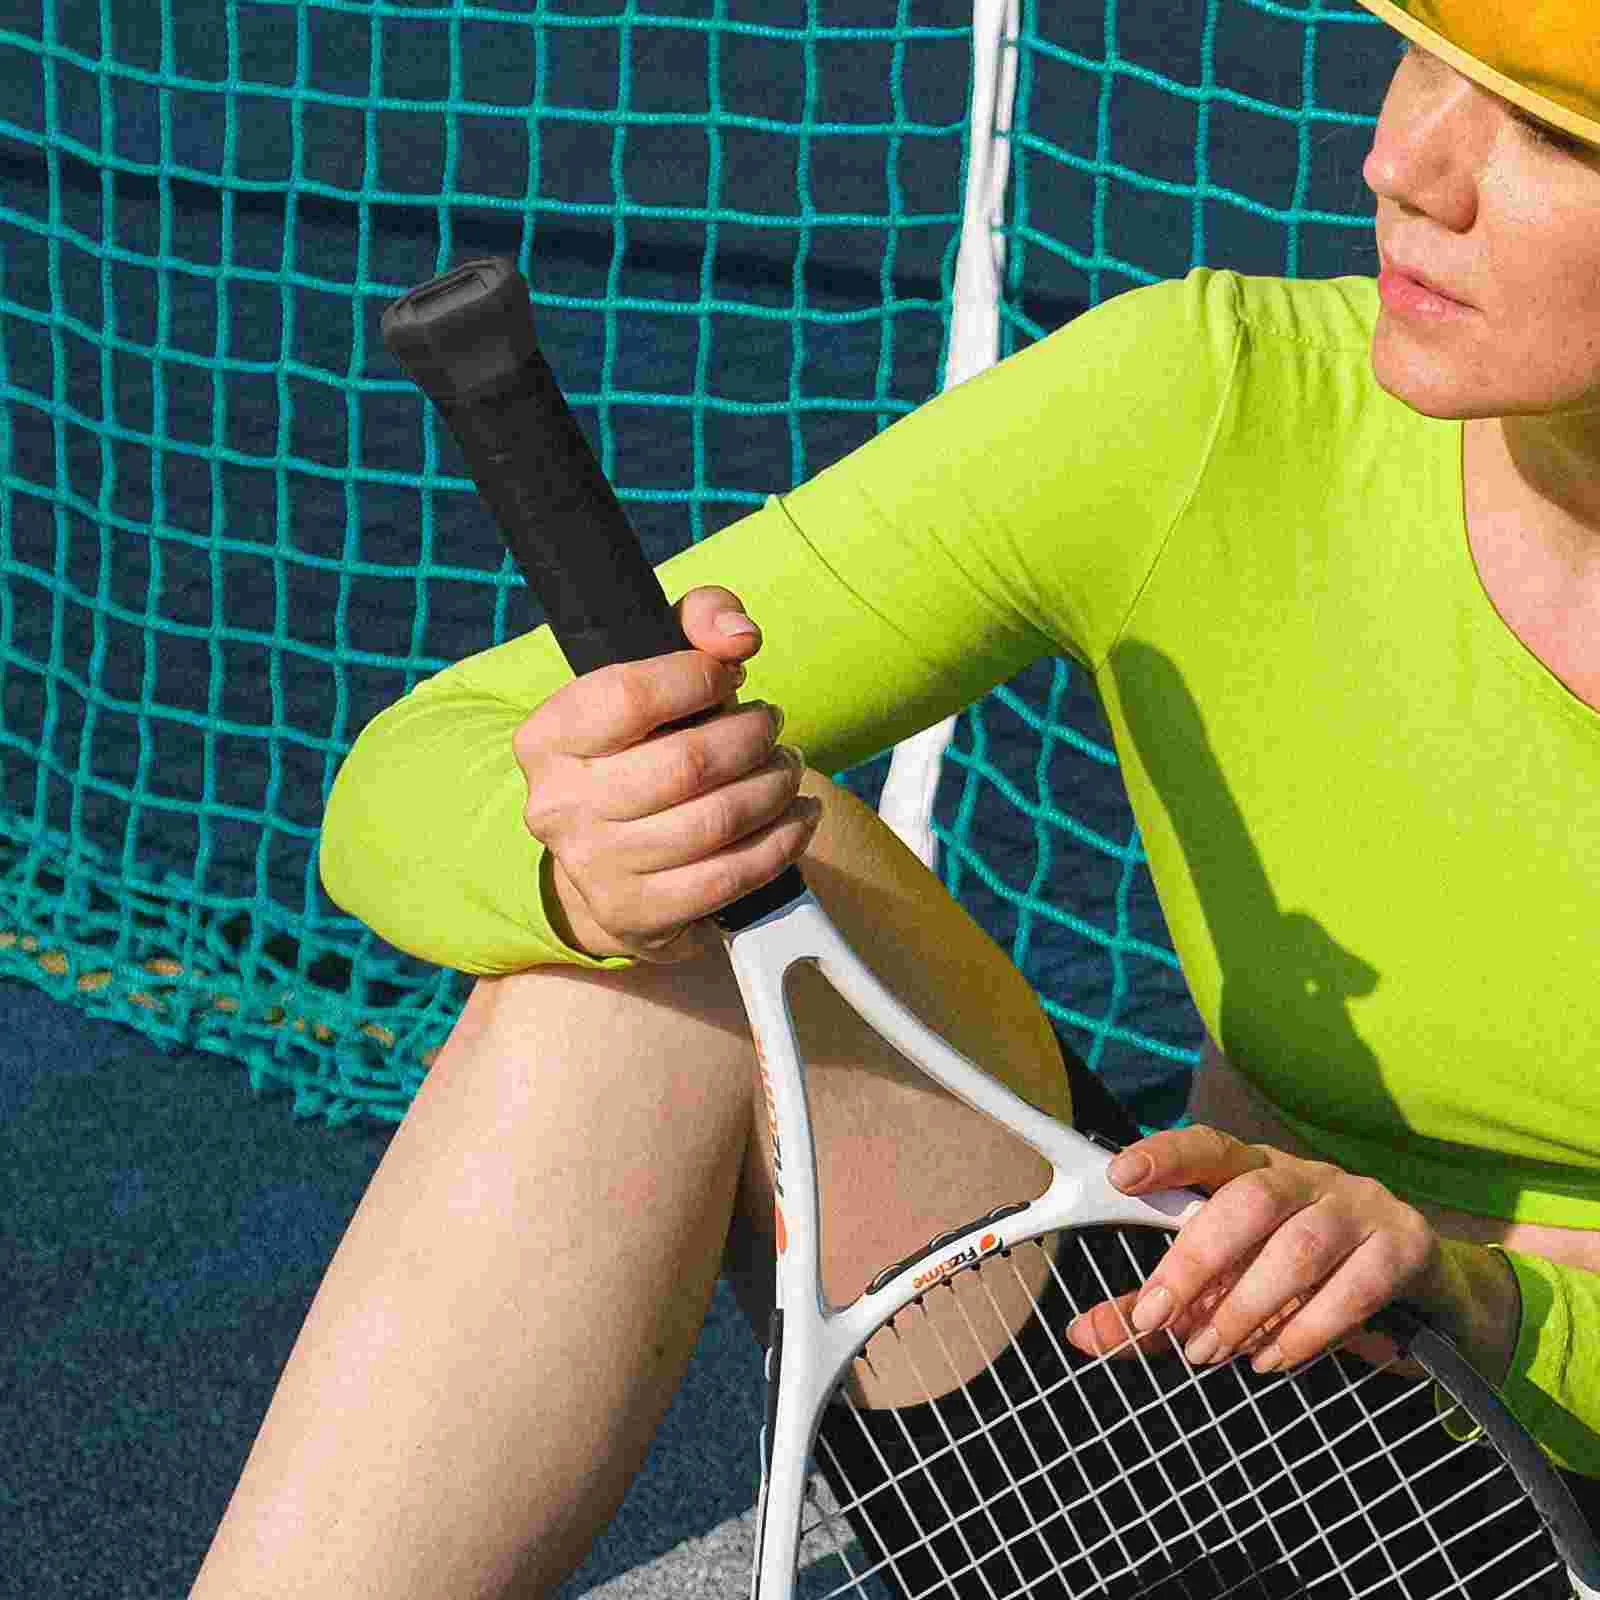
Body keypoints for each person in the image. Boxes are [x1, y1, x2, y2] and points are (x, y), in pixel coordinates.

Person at [190, 4, 1600, 1595]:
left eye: (1552, 132)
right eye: (1425, 58)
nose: (1406, 165)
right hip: (1236, 1417)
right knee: (686, 912)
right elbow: (423, 760)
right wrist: (591, 857)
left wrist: (1495, 1304)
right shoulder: (1220, 411)